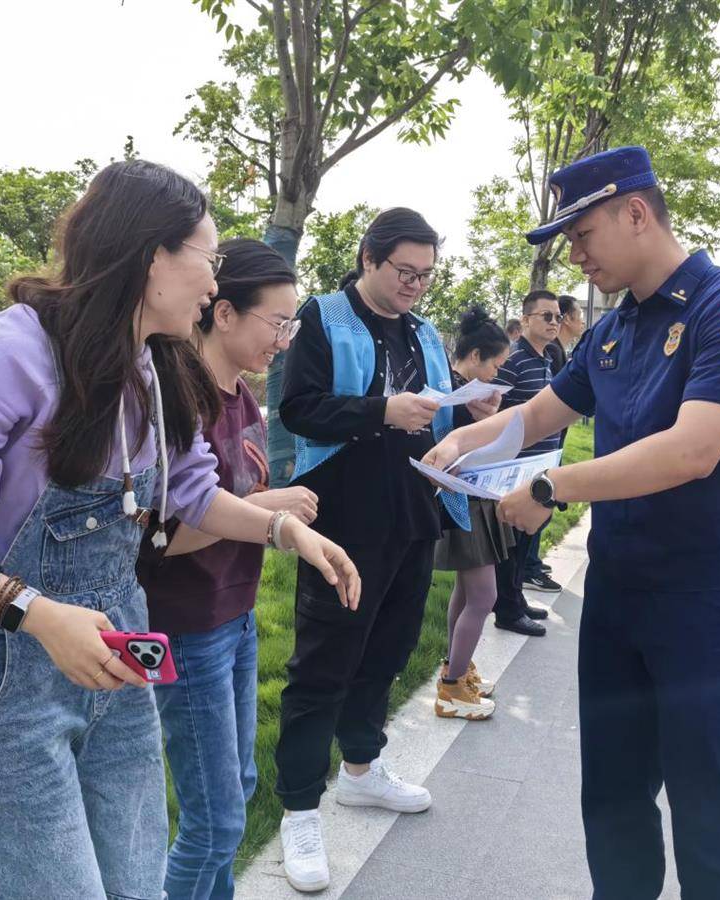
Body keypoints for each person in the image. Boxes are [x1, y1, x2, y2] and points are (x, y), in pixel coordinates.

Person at [0, 160, 359, 899]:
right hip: (8, 673)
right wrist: (38, 614)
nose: (216, 284)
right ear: (151, 254)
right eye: (209, 259)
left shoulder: (157, 371)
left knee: (136, 884)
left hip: (118, 664)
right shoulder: (11, 352)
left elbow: (191, 493)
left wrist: (285, 533)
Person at [425, 146, 720, 899]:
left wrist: (552, 486)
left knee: (707, 806)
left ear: (637, 213)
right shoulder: (613, 331)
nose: (577, 258)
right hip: (619, 594)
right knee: (613, 798)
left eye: (583, 236)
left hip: (702, 601)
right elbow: (541, 411)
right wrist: (462, 439)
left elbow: (693, 450)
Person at [274, 208, 470, 893]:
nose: (416, 285)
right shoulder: (323, 317)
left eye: (427, 275)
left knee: (385, 652)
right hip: (343, 518)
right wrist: (380, 412)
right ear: (369, 258)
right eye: (405, 272)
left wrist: (467, 417)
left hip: (414, 512)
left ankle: (361, 768)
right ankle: (299, 808)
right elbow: (297, 408)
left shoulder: (423, 331)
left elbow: (435, 412)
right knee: (323, 661)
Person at [136, 238, 321, 899]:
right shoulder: (180, 401)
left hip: (233, 620)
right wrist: (264, 509)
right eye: (278, 322)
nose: (284, 339)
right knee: (215, 822)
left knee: (235, 792)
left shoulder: (242, 396)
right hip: (186, 630)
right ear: (224, 312)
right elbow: (156, 539)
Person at [432, 306, 513, 720]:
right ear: (477, 356)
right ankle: (451, 689)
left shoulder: (465, 392)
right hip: (461, 503)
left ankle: (456, 671)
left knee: (467, 594)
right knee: (485, 597)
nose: (498, 375)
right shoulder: (454, 395)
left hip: (473, 500)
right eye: (496, 365)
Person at [492, 288, 564, 629]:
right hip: (514, 469)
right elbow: (496, 411)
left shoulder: (548, 358)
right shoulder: (514, 359)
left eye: (558, 317)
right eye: (546, 316)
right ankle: (507, 611)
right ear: (525, 320)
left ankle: (517, 599)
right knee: (511, 544)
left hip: (541, 467)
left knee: (528, 540)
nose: (554, 323)